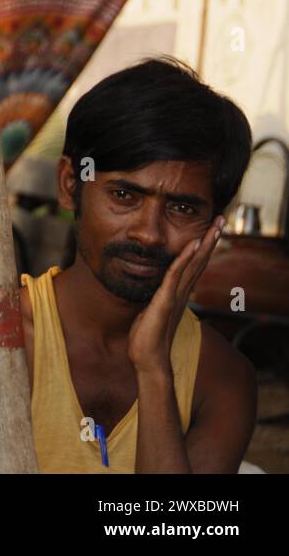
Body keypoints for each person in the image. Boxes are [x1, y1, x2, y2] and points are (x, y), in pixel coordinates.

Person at [20, 57, 257, 472]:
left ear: (215, 225)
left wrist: (153, 366)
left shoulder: (221, 379)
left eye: (182, 208)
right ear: (69, 185)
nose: (148, 234)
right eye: (125, 197)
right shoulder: (0, 340)